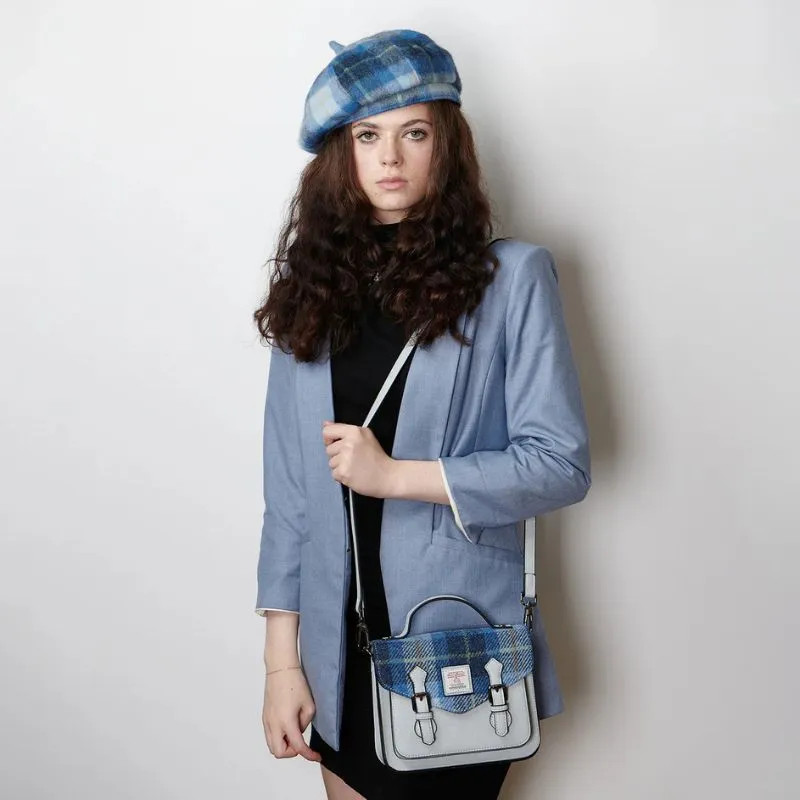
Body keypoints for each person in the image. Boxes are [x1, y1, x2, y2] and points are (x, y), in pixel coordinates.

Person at [252, 29, 592, 800]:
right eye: (367, 136)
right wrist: (281, 663)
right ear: (340, 153)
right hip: (336, 655)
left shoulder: (511, 278)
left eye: (414, 132)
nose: (390, 157)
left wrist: (397, 477)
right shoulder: (310, 291)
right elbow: (290, 499)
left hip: (452, 645)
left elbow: (560, 463)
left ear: (448, 144)